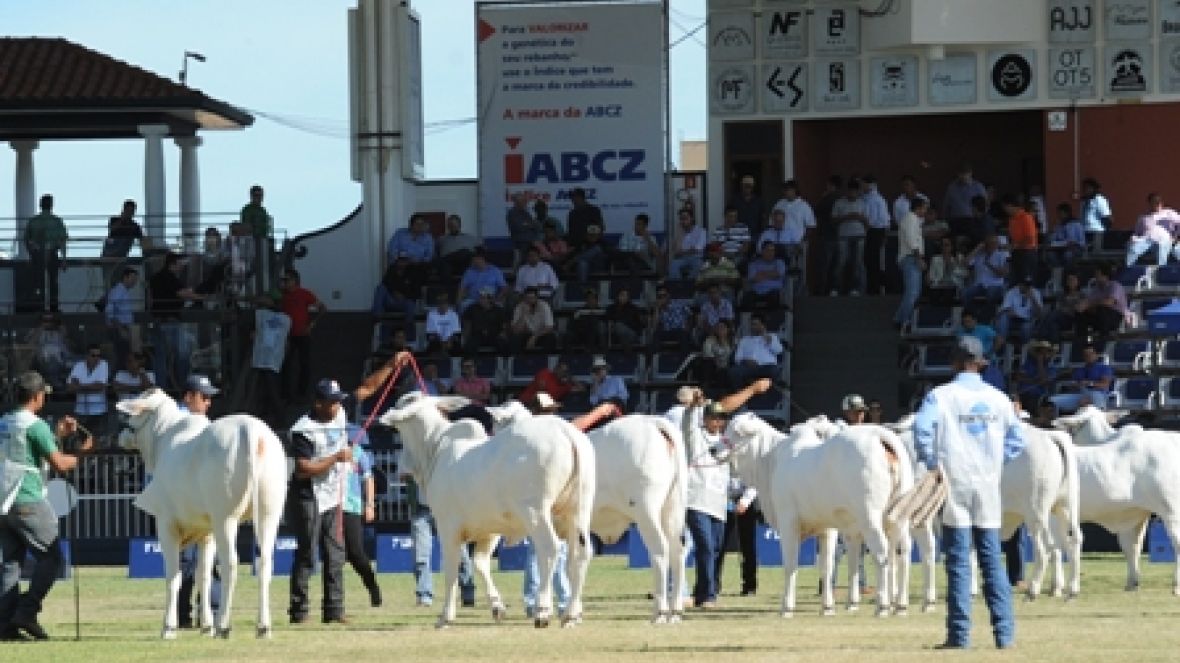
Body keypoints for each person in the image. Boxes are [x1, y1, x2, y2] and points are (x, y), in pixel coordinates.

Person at [912, 335, 1025, 650]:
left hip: (955, 481)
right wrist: (995, 462)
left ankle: (959, 636)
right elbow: (1017, 440)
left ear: (955, 363)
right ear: (980, 363)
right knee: (992, 559)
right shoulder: (999, 399)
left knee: (959, 561)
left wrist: (932, 462)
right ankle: (1004, 635)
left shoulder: (941, 396)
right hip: (988, 484)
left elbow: (921, 431)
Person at [285, 355, 405, 625]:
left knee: (336, 553)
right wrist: (336, 458)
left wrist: (392, 364)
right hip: (308, 496)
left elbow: (368, 387)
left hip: (333, 494)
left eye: (339, 400)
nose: (338, 405)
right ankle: (299, 611)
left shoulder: (339, 411)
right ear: (318, 403)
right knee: (307, 553)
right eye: (332, 401)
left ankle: (334, 610)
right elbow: (303, 469)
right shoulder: (303, 430)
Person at [0, 371, 94, 641]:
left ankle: (5, 626)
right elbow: (60, 464)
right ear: (36, 396)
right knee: (51, 558)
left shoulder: (4, 421)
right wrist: (83, 453)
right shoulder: (36, 425)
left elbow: (28, 450)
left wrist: (57, 435)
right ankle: (27, 612)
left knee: (10, 565)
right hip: (28, 498)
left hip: (4, 500)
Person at [520, 392, 571, 617]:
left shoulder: (529, 435)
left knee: (545, 550)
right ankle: (557, 600)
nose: (551, 414)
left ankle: (540, 600)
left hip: (548, 498)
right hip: (548, 499)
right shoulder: (556, 432)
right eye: (547, 410)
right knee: (549, 551)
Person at [149, 252, 203, 393]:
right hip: (171, 321)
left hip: (158, 321)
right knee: (182, 355)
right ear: (172, 264)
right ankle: (182, 386)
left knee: (161, 358)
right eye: (179, 264)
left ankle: (161, 389)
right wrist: (203, 297)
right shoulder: (170, 277)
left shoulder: (155, 278)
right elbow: (182, 293)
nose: (181, 267)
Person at [342, 427, 382, 608]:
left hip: (352, 507)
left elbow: (368, 478)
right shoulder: (327, 451)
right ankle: (334, 601)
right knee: (333, 555)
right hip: (331, 507)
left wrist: (370, 504)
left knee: (356, 553)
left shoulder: (358, 452)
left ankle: (372, 587)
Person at [279, 269, 326, 402]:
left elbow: (322, 308)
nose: (284, 283)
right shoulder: (283, 296)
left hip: (302, 334)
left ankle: (301, 393)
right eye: (283, 280)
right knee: (286, 364)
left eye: (287, 280)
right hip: (287, 335)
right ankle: (286, 394)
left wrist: (311, 324)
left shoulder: (304, 294)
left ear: (294, 281)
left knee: (304, 363)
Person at [23, 193, 68, 312]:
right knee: (53, 282)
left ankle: (39, 306)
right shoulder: (57, 221)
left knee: (38, 281)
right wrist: (64, 259)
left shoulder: (34, 221)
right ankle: (53, 306)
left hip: (37, 254)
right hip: (52, 253)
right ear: (51, 205)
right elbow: (63, 241)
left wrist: (31, 254)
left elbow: (26, 240)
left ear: (40, 205)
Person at [830, 178, 869, 296]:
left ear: (858, 192)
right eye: (850, 191)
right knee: (841, 261)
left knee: (857, 262)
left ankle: (855, 288)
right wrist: (847, 217)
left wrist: (859, 218)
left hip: (859, 236)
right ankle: (836, 287)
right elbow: (833, 220)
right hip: (843, 236)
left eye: (855, 191)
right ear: (847, 191)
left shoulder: (863, 203)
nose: (852, 193)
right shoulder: (839, 203)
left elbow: (868, 222)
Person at [1048, 345, 1114, 413]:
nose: (1088, 356)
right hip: (1081, 395)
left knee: (1094, 397)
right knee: (1052, 401)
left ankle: (1099, 415)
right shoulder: (1080, 370)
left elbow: (1105, 385)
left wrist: (1089, 383)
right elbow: (1074, 385)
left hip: (1098, 394)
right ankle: (1050, 419)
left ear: (1096, 355)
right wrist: (1074, 385)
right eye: (1086, 355)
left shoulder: (1104, 368)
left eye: (1091, 354)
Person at [1074, 263, 1128, 346]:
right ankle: (1083, 342)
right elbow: (1089, 301)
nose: (1095, 277)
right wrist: (1082, 306)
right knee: (1081, 313)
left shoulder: (1115, 286)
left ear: (1105, 276)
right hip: (1100, 317)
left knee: (1102, 309)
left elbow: (1109, 302)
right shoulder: (1096, 288)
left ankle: (1103, 340)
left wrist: (1091, 304)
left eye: (1098, 274)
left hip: (1116, 318)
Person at [67, 344, 110, 447]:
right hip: (81, 410)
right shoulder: (79, 365)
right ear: (86, 356)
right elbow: (70, 387)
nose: (96, 358)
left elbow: (100, 386)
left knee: (97, 442)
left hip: (98, 410)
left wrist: (80, 386)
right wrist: (91, 386)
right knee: (81, 441)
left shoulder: (103, 364)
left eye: (98, 356)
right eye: (93, 355)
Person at [894, 196, 927, 328]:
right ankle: (904, 320)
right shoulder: (911, 219)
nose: (925, 211)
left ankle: (899, 318)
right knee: (912, 292)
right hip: (911, 258)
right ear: (918, 208)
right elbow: (912, 241)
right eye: (924, 208)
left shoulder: (913, 220)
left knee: (914, 292)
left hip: (913, 258)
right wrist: (919, 258)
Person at [728, 314, 782, 388]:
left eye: (756, 324)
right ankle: (741, 393)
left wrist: (768, 339)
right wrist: (746, 361)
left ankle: (771, 391)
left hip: (766, 367)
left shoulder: (772, 337)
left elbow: (779, 351)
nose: (753, 327)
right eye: (752, 324)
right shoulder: (745, 340)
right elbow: (737, 357)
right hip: (748, 367)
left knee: (774, 370)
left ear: (762, 325)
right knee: (734, 371)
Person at [1127, 193, 1180, 266]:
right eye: (1155, 202)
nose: (1157, 204)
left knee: (1162, 247)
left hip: (1165, 240)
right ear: (1149, 204)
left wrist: (1175, 237)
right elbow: (1137, 233)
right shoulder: (1143, 217)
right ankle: (1128, 268)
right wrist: (1134, 238)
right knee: (1134, 249)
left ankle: (1161, 269)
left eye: (1159, 202)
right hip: (1147, 240)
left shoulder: (1169, 213)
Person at [861, 176, 891, 295]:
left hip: (875, 231)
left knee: (873, 261)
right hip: (871, 231)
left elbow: (879, 219)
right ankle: (872, 287)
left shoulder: (876, 199)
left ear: (870, 185)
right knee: (869, 261)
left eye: (863, 184)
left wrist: (884, 234)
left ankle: (876, 287)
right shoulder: (865, 198)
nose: (862, 186)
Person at [105, 267, 139, 371]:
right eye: (133, 278)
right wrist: (120, 328)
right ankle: (118, 376)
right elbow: (110, 311)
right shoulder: (118, 291)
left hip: (126, 327)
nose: (134, 282)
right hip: (119, 327)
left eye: (136, 279)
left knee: (127, 355)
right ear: (125, 277)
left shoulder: (124, 291)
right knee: (122, 355)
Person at [240, 185, 274, 292]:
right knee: (252, 265)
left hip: (263, 241)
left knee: (264, 265)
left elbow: (267, 226)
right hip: (251, 241)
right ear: (251, 196)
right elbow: (246, 225)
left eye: (261, 195)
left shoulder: (263, 211)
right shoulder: (247, 209)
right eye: (256, 195)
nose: (259, 198)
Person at [386, 215, 435, 284]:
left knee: (417, 272)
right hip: (400, 263)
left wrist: (418, 261)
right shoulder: (400, 233)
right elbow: (392, 249)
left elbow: (429, 255)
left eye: (422, 224)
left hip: (419, 264)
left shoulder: (428, 238)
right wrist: (399, 260)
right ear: (411, 225)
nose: (420, 226)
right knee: (391, 274)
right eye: (417, 224)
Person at [995, 279, 1044, 344]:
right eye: (1025, 285)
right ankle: (1001, 343)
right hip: (1013, 320)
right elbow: (1005, 308)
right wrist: (1010, 311)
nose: (1027, 287)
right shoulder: (1012, 292)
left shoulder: (1036, 293)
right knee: (1003, 318)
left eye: (1028, 285)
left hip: (1027, 320)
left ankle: (1024, 347)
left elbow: (1039, 314)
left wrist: (1033, 299)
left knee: (1026, 328)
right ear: (1019, 285)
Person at [461, 288, 510, 353]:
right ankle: (470, 359)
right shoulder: (472, 308)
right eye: (480, 297)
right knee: (470, 345)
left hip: (494, 335)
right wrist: (465, 336)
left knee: (503, 343)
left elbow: (504, 324)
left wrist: (503, 332)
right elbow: (466, 322)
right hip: (477, 335)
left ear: (490, 299)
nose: (480, 299)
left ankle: (501, 360)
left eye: (483, 297)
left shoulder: (499, 310)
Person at [1005, 194, 1039, 286]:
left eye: (1006, 207)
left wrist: (1016, 245)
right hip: (1016, 253)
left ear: (1010, 205)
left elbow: (1030, 239)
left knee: (1027, 284)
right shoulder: (1011, 220)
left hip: (1027, 253)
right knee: (1015, 283)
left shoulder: (1026, 218)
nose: (1005, 210)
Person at [510, 287, 557, 351]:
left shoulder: (544, 306)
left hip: (540, 334)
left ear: (536, 298)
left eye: (532, 298)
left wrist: (534, 337)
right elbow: (516, 331)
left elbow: (549, 327)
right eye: (527, 298)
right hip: (526, 334)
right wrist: (523, 314)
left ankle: (546, 357)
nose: (529, 301)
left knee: (551, 337)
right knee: (515, 338)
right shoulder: (519, 307)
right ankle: (517, 357)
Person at [742, 241, 787, 308]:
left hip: (774, 291)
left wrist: (761, 273)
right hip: (756, 292)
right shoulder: (754, 264)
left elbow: (778, 274)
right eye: (768, 250)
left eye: (772, 250)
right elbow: (754, 279)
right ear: (762, 251)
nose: (770, 253)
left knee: (774, 297)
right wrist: (771, 274)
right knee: (747, 298)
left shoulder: (780, 263)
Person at [436, 214, 480, 280]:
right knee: (443, 263)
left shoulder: (470, 238)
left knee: (465, 252)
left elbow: (480, 251)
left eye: (453, 225)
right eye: (450, 225)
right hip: (448, 265)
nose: (452, 227)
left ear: (459, 225)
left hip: (464, 264)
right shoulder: (442, 239)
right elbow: (436, 252)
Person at [668, 210, 707, 280]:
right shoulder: (679, 232)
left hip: (696, 258)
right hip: (682, 258)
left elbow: (697, 249)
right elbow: (676, 252)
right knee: (673, 265)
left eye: (685, 218)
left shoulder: (701, 231)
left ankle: (689, 284)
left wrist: (683, 252)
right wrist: (680, 234)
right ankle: (677, 285)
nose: (683, 221)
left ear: (692, 218)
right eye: (681, 219)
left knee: (699, 265)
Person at [604, 287, 646, 351]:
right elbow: (607, 318)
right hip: (614, 332)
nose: (624, 297)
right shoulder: (611, 308)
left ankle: (627, 348)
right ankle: (625, 347)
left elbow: (640, 323)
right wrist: (610, 322)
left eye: (626, 295)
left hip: (631, 333)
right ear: (618, 296)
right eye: (622, 295)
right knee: (609, 327)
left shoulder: (633, 308)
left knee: (619, 325)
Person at [507, 193, 541, 257]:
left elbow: (537, 225)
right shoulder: (512, 213)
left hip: (532, 240)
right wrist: (530, 225)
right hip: (521, 241)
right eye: (523, 202)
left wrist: (527, 224)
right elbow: (519, 227)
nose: (525, 203)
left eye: (525, 202)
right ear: (516, 203)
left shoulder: (526, 213)